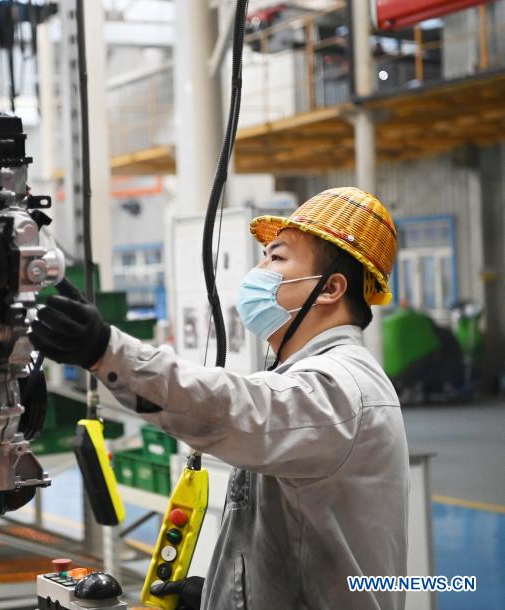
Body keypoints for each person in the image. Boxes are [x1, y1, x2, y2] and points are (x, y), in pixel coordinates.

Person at [31, 187, 407, 610]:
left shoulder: (342, 387)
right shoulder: (311, 376)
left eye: (277, 257)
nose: (258, 269)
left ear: (330, 288)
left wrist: (107, 351)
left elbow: (238, 409)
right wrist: (221, 595)